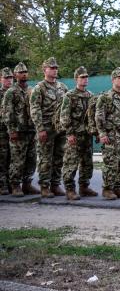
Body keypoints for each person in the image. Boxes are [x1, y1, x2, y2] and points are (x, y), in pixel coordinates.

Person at [30, 57, 68, 198]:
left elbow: (66, 108)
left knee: (59, 157)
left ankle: (55, 184)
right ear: (44, 70)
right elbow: (35, 110)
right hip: (46, 128)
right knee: (46, 159)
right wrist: (40, 129)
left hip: (60, 129)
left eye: (56, 68)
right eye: (52, 68)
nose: (55, 70)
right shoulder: (39, 88)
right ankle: (44, 187)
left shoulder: (62, 87)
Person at [95, 67, 120, 200]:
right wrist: (102, 134)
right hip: (111, 137)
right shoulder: (106, 97)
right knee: (111, 163)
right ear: (113, 80)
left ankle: (118, 187)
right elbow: (99, 117)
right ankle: (107, 189)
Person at [60, 66, 98, 200]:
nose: (85, 79)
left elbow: (94, 116)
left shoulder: (91, 96)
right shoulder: (70, 95)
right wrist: (69, 133)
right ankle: (70, 189)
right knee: (71, 162)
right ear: (76, 79)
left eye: (87, 77)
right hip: (75, 135)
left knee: (87, 162)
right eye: (82, 77)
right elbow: (64, 117)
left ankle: (84, 187)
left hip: (87, 135)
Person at [3, 63, 38, 197]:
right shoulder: (11, 92)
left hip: (30, 130)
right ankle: (15, 185)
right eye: (21, 72)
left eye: (25, 72)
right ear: (16, 75)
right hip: (18, 131)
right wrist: (12, 130)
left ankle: (27, 184)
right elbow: (7, 113)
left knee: (31, 159)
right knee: (17, 160)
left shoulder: (31, 90)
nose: (24, 74)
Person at [0, 67, 13, 195]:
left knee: (13, 158)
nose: (9, 80)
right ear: (1, 79)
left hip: (14, 130)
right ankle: (2, 184)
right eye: (6, 78)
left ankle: (11, 183)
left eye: (11, 78)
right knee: (2, 157)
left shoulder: (15, 92)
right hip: (2, 131)